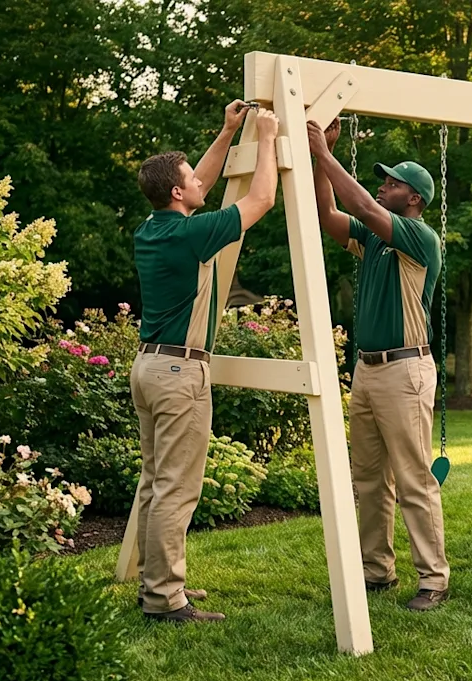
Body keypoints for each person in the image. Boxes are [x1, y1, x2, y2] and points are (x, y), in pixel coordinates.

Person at [130, 101, 281, 623]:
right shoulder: (190, 234)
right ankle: (164, 599)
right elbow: (262, 197)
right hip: (178, 373)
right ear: (177, 191)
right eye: (190, 177)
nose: (200, 180)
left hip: (148, 369)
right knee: (176, 489)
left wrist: (227, 130)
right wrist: (266, 137)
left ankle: (156, 586)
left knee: (155, 483)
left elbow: (203, 186)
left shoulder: (155, 229)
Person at [305, 117, 450, 612]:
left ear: (413, 199)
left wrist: (325, 154)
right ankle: (376, 571)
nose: (382, 188)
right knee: (368, 479)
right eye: (382, 181)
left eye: (392, 183)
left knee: (413, 479)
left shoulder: (419, 239)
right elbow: (328, 213)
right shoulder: (372, 240)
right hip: (368, 371)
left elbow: (361, 205)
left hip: (405, 371)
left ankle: (433, 578)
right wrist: (318, 158)